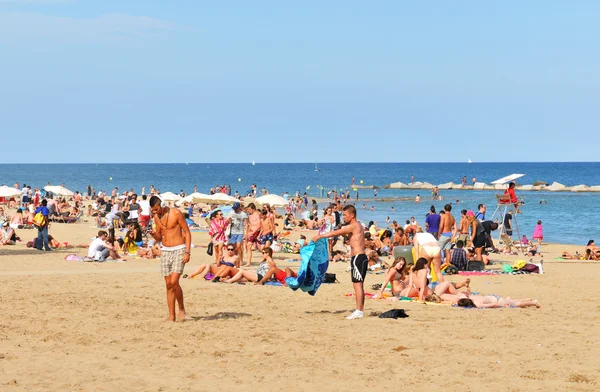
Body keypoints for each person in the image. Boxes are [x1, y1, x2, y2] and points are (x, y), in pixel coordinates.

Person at [313, 205, 367, 320]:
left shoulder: (354, 225)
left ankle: (359, 311)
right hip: (358, 257)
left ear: (352, 215)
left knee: (358, 285)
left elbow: (335, 233)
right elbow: (344, 234)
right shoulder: (357, 226)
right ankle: (359, 310)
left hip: (358, 257)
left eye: (345, 215)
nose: (343, 217)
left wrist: (320, 236)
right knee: (357, 284)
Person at [148, 195, 192, 323]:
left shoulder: (176, 213)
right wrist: (153, 234)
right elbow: (159, 237)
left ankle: (181, 309)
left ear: (162, 205)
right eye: (153, 210)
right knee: (168, 284)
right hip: (165, 251)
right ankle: (171, 316)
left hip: (179, 249)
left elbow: (187, 233)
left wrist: (187, 252)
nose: (155, 212)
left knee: (173, 282)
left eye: (156, 209)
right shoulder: (156, 217)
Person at [226, 202, 247, 267]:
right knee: (232, 247)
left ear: (239, 208)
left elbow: (246, 224)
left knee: (238, 246)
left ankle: (240, 260)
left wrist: (246, 233)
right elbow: (226, 222)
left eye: (236, 208)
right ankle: (233, 259)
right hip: (232, 232)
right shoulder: (231, 213)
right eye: (234, 208)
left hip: (240, 232)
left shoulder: (243, 214)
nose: (234, 209)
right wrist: (228, 221)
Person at [456, 296, 541, 309]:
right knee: (512, 301)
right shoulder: (472, 297)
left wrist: (501, 306)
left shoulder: (477, 305)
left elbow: (493, 305)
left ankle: (534, 303)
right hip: (494, 296)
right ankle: (528, 299)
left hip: (497, 301)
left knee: (517, 304)